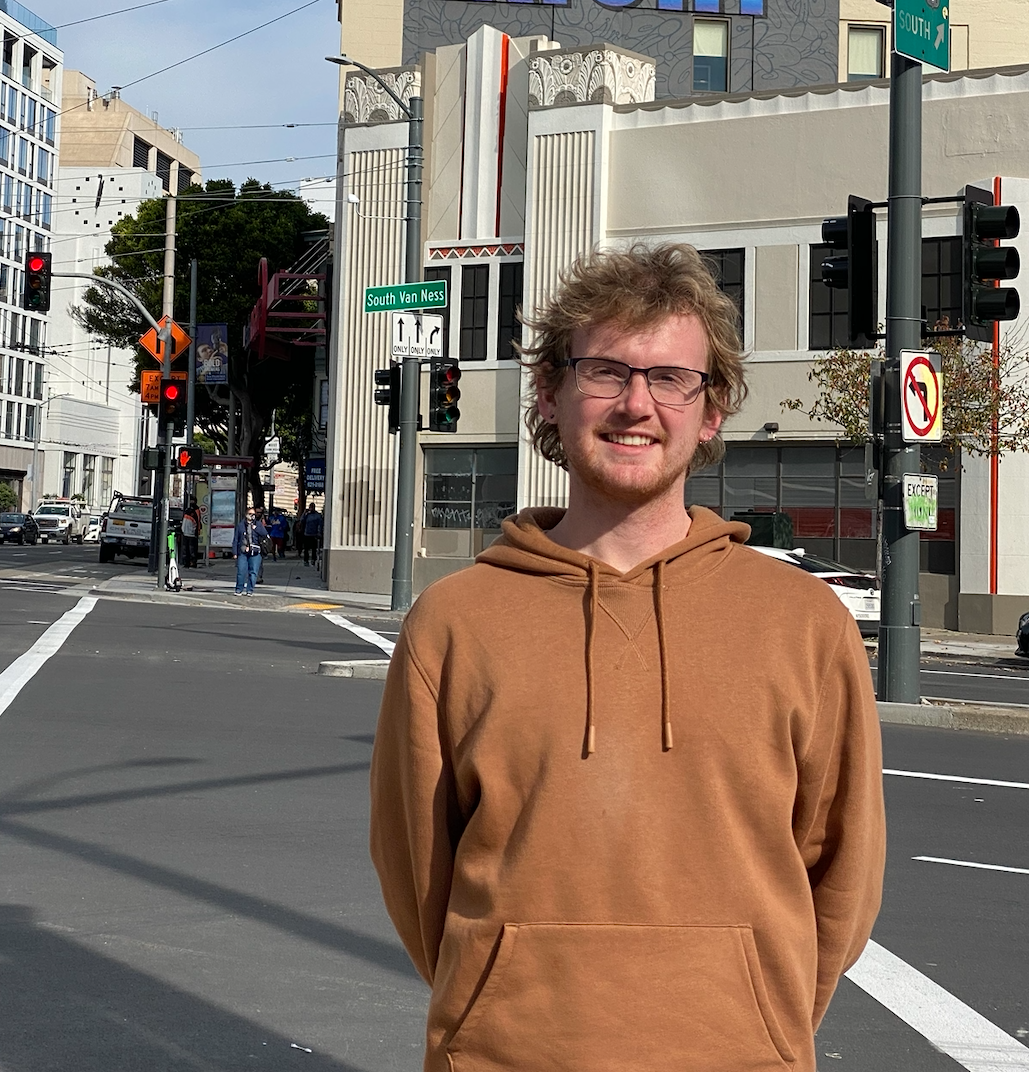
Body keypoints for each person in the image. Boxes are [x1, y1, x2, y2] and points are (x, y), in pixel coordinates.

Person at [370, 243, 884, 1072]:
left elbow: (844, 869)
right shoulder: (453, 623)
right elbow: (415, 873)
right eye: (606, 371)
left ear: (711, 411)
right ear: (551, 391)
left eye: (672, 378)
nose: (636, 404)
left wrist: (762, 1015)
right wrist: (493, 997)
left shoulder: (802, 622)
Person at [231, 504, 268, 596]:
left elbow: (265, 534)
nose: (253, 516)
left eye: (254, 514)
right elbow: (236, 539)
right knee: (241, 571)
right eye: (250, 514)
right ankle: (239, 589)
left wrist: (256, 529)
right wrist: (235, 552)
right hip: (243, 551)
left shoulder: (258, 524)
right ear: (246, 514)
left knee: (253, 572)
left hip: (255, 552)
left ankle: (250, 590)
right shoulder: (241, 525)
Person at [180, 501, 201, 570]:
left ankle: (189, 562)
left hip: (188, 533)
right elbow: (197, 522)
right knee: (191, 549)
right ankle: (191, 562)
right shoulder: (195, 511)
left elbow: (196, 522)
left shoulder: (188, 512)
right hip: (191, 534)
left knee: (187, 549)